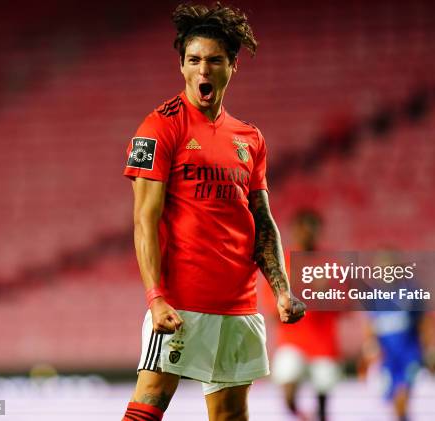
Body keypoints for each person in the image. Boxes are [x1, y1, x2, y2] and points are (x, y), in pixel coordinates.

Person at [121, 3, 306, 421]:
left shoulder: (250, 138)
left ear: (233, 66)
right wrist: (155, 298)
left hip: (238, 304)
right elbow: (144, 221)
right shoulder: (159, 127)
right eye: (194, 60)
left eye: (214, 60)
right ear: (182, 66)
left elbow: (261, 220)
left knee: (231, 415)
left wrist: (281, 290)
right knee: (149, 403)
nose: (203, 70)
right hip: (181, 301)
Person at [268, 210, 341, 421]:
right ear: (295, 231)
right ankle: (303, 417)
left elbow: (344, 304)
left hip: (323, 344)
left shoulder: (331, 264)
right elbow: (274, 308)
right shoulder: (283, 264)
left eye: (312, 229)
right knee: (288, 393)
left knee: (323, 404)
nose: (307, 234)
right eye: (303, 229)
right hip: (292, 341)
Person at [361, 251, 435, 421]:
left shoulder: (410, 292)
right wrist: (368, 352)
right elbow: (370, 327)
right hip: (387, 360)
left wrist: (431, 349)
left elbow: (424, 322)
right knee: (395, 404)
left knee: (402, 398)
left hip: (409, 356)